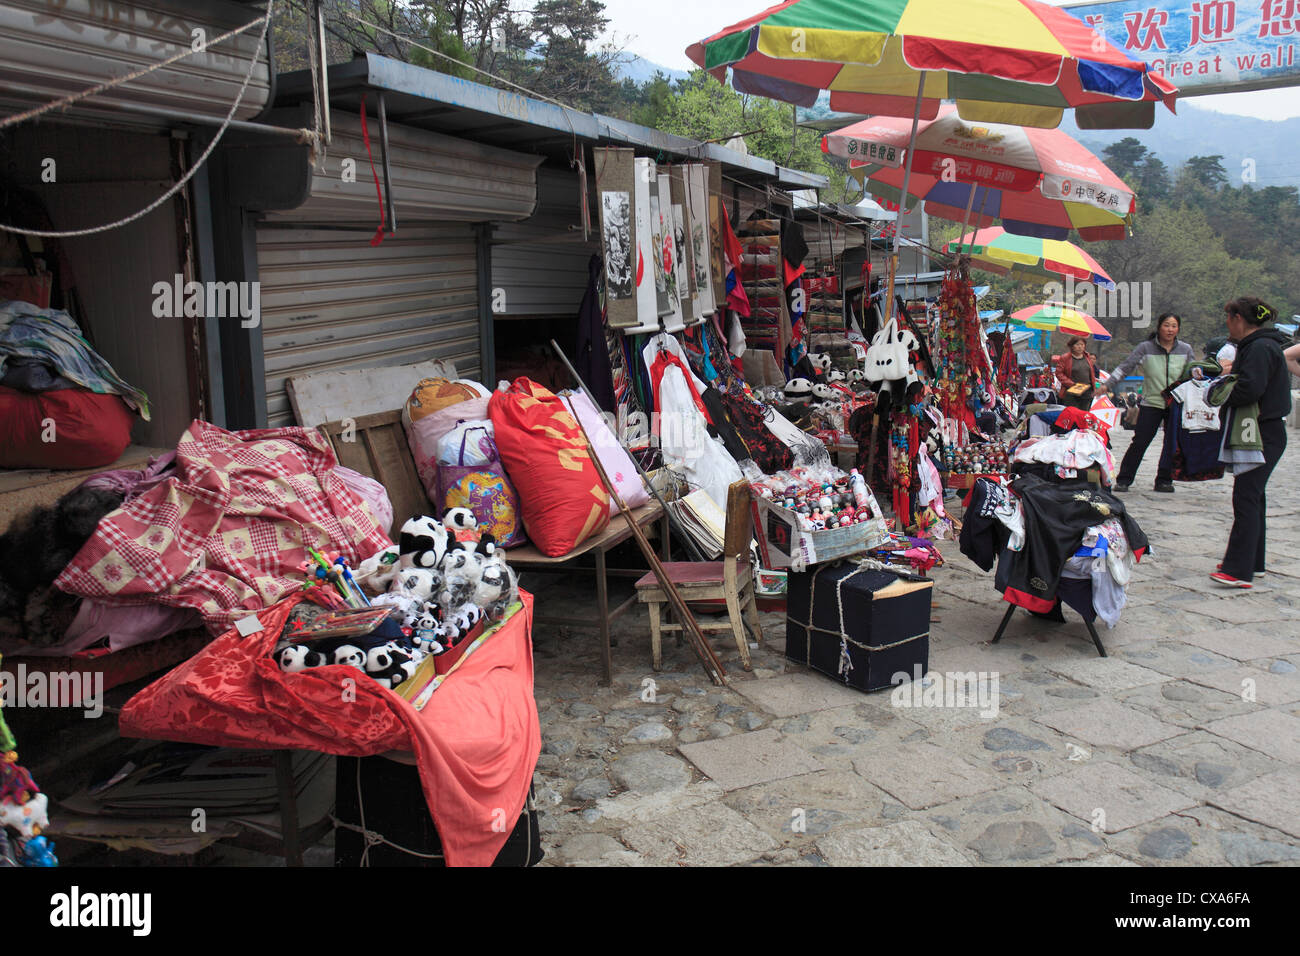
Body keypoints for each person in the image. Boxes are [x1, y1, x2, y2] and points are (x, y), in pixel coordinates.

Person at [1212, 297, 1292, 588]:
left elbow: (1250, 388)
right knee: (1254, 497)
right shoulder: (1263, 345)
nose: (1227, 324)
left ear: (1239, 319)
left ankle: (1238, 571)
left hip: (1262, 433)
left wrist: (1218, 393)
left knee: (1246, 497)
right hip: (1265, 431)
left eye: (1229, 318)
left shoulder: (1259, 347)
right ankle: (1252, 562)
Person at [1096, 312, 1194, 493]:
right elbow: (1125, 368)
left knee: (1171, 443)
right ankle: (1124, 479)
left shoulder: (1185, 350)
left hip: (1176, 403)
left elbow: (1192, 372)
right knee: (1140, 441)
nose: (1170, 329)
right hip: (1152, 403)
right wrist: (1107, 385)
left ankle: (1164, 480)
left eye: (1174, 326)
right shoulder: (1145, 348)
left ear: (1178, 328)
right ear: (1159, 327)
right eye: (1166, 325)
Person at [1054, 336, 1098, 410]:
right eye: (1077, 345)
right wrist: (1071, 384)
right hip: (1072, 392)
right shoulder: (1065, 358)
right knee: (1072, 414)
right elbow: (1059, 373)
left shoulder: (1087, 357)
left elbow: (1091, 374)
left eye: (1082, 345)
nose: (1080, 347)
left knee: (1084, 415)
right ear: (1072, 346)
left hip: (1087, 392)